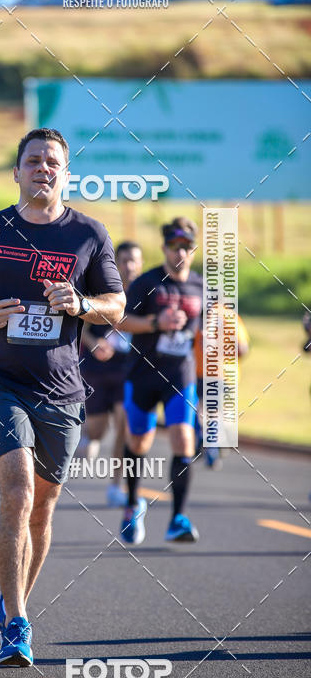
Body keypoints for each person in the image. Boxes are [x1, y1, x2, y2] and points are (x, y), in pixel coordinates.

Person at [0, 127, 125, 667]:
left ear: (66, 173)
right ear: (16, 172)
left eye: (52, 162)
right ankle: (18, 624)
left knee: (43, 509)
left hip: (62, 387)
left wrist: (81, 303)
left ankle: (9, 602)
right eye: (33, 161)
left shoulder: (89, 234)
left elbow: (116, 304)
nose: (42, 168)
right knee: (19, 492)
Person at [119, 217, 203, 545]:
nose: (180, 252)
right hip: (143, 374)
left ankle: (178, 519)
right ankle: (132, 503)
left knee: (184, 439)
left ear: (193, 249)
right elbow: (121, 321)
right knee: (139, 443)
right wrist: (157, 322)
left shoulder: (202, 286)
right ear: (164, 247)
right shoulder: (147, 282)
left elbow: (212, 326)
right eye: (174, 246)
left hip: (180, 376)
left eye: (186, 246)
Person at [80, 241, 143, 506]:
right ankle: (86, 437)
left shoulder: (146, 292)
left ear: (141, 264)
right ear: (116, 263)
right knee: (97, 431)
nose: (129, 266)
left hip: (127, 370)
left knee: (124, 424)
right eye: (124, 260)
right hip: (97, 368)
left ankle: (117, 484)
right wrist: (94, 344)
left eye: (134, 260)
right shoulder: (103, 288)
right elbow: (80, 326)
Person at [193, 303, 249, 469]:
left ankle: (209, 446)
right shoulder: (231, 317)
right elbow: (242, 348)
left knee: (203, 410)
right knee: (215, 411)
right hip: (226, 374)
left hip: (203, 372)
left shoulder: (200, 313)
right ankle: (214, 444)